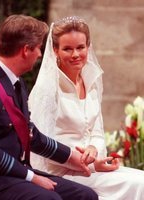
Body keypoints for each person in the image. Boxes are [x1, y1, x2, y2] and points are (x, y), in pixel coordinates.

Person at [0, 14, 98, 200]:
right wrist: (32, 177)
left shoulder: (15, 83)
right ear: (26, 50)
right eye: (38, 48)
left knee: (85, 195)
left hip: (10, 175)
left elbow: (31, 135)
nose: (41, 54)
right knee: (49, 199)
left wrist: (71, 156)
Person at [28, 16, 144, 200]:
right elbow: (40, 146)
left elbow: (96, 131)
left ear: (88, 47)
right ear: (55, 50)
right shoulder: (47, 89)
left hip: (91, 169)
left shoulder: (92, 82)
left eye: (80, 47)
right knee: (139, 185)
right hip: (61, 172)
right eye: (67, 49)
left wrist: (93, 149)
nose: (75, 54)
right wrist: (80, 159)